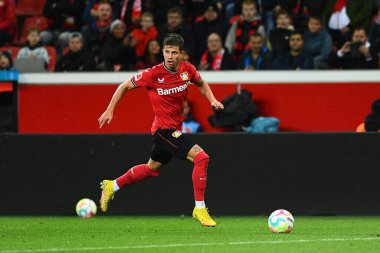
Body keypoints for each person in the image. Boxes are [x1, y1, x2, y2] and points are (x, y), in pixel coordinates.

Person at [98, 33, 224, 227]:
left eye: (174, 52)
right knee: (202, 158)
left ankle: (112, 185)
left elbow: (201, 83)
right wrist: (110, 109)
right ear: (163, 52)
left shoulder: (187, 69)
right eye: (167, 51)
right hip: (163, 131)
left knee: (152, 169)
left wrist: (213, 99)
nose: (170, 56)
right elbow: (124, 86)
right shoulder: (152, 74)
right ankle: (199, 208)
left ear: (181, 54)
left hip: (171, 130)